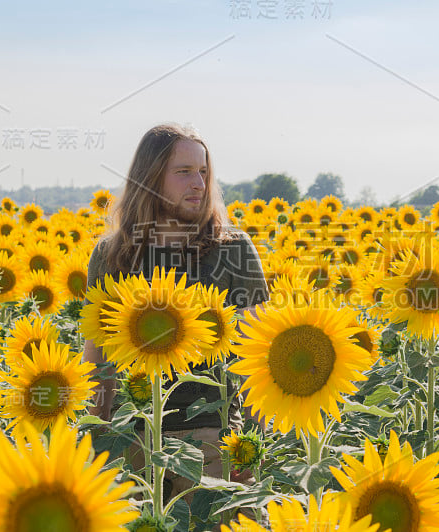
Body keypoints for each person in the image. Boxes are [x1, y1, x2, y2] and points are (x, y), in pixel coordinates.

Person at [82, 123, 269, 504]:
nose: (197, 183)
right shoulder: (111, 254)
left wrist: (252, 446)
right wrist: (94, 437)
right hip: (130, 434)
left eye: (203, 172)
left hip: (210, 437)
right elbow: (97, 356)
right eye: (183, 172)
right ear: (150, 179)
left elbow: (258, 354)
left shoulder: (232, 250)